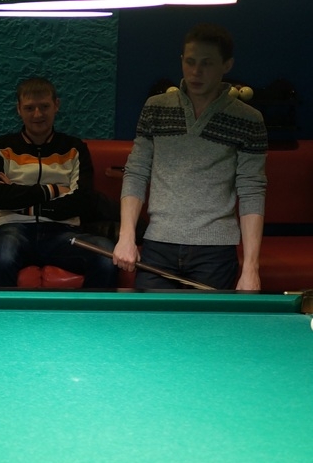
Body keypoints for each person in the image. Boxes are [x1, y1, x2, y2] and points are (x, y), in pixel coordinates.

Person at [113, 24, 267, 291]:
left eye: (207, 63)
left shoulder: (248, 119)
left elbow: (252, 190)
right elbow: (137, 172)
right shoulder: (155, 108)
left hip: (215, 252)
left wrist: (251, 268)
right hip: (158, 244)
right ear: (182, 60)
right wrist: (126, 236)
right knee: (149, 318)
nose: (196, 71)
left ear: (227, 65)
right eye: (190, 61)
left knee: (207, 320)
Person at [0, 77, 118, 288]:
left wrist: (19, 195)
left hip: (63, 232)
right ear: (18, 109)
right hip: (13, 230)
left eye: (44, 106)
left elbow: (83, 201)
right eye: (29, 108)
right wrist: (54, 190)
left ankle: (89, 312)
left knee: (106, 254)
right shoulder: (1, 147)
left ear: (56, 105)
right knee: (2, 257)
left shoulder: (75, 148)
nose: (37, 114)